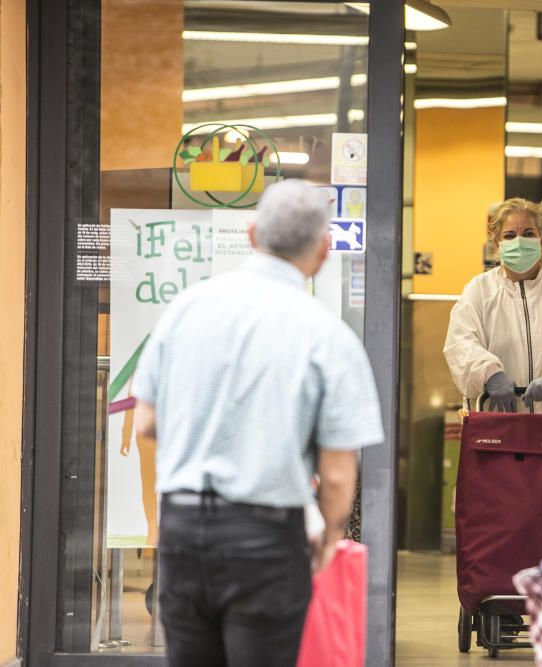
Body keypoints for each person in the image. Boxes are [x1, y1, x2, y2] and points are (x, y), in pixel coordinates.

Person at [131, 179, 383, 667]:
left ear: (251, 235)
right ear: (324, 250)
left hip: (181, 530)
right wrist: (328, 539)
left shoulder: (186, 309)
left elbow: (145, 421)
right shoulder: (328, 335)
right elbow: (336, 472)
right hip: (266, 538)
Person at [443, 197, 542, 465]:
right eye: (509, 235)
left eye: (528, 233)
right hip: (497, 437)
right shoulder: (479, 292)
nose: (519, 241)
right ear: (497, 243)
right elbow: (460, 343)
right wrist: (489, 373)